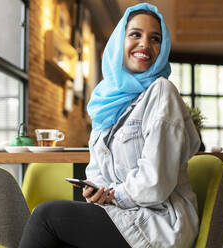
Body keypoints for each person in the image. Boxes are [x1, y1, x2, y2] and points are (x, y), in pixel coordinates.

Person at [19, 3, 200, 248]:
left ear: (163, 46)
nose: (145, 44)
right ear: (119, 42)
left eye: (155, 38)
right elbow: (97, 172)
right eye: (135, 34)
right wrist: (95, 191)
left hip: (159, 223)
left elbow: (155, 183)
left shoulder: (161, 92)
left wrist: (113, 195)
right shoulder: (107, 102)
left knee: (46, 218)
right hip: (123, 214)